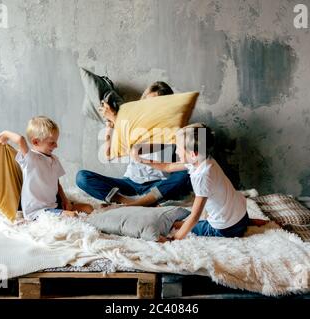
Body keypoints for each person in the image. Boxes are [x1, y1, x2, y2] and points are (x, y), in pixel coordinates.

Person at [134, 123, 267, 240]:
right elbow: (168, 166)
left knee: (179, 224)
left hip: (225, 229)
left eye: (179, 147)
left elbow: (195, 216)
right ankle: (245, 223)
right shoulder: (204, 160)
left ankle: (237, 226)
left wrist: (175, 238)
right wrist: (142, 160)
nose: (177, 151)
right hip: (241, 215)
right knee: (221, 216)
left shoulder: (202, 176)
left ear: (193, 154)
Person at [76, 81, 192, 206]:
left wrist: (116, 118)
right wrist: (110, 126)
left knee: (185, 173)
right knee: (82, 177)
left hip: (158, 184)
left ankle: (144, 201)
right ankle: (131, 202)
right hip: (130, 183)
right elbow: (108, 155)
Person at [0, 116, 93, 221]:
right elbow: (20, 139)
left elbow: (57, 183)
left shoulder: (54, 160)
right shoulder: (31, 159)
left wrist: (65, 201)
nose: (56, 145)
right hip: (37, 211)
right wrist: (5, 133)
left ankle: (61, 211)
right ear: (36, 142)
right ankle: (62, 215)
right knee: (72, 216)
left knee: (88, 208)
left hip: (54, 205)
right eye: (52, 142)